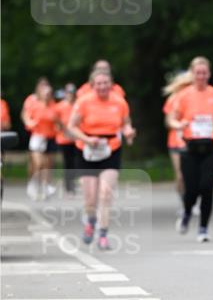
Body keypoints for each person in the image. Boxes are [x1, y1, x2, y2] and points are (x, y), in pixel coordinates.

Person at [67, 69, 136, 249]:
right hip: (87, 149)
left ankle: (103, 235)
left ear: (111, 84)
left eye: (106, 83)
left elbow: (126, 122)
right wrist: (87, 139)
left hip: (111, 149)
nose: (103, 87)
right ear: (92, 85)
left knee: (106, 193)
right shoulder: (83, 102)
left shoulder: (119, 102)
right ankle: (90, 222)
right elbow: (71, 127)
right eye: (99, 83)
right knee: (90, 197)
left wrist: (128, 131)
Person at [167, 57, 213, 243]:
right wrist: (179, 124)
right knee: (191, 189)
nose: (201, 76)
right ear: (192, 74)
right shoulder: (183, 95)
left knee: (207, 187)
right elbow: (171, 119)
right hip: (189, 148)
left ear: (209, 74)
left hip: (211, 147)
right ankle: (187, 212)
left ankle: (203, 228)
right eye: (198, 73)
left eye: (204, 73)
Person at [21, 78, 58, 200]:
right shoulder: (33, 101)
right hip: (36, 135)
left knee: (48, 164)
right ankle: (33, 184)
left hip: (50, 136)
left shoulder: (53, 104)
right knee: (38, 163)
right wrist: (29, 122)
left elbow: (57, 119)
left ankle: (44, 186)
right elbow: (26, 115)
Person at [162, 70, 192, 212]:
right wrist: (178, 124)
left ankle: (193, 199)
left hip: (194, 140)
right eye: (185, 84)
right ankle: (183, 201)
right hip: (176, 141)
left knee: (193, 173)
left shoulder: (197, 98)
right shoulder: (173, 99)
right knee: (181, 174)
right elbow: (168, 122)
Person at [54, 83, 78, 194]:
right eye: (68, 93)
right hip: (64, 138)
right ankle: (68, 185)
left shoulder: (77, 105)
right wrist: (64, 131)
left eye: (72, 93)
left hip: (76, 138)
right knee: (67, 162)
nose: (70, 95)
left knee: (75, 162)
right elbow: (56, 122)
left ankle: (72, 183)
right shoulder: (60, 106)